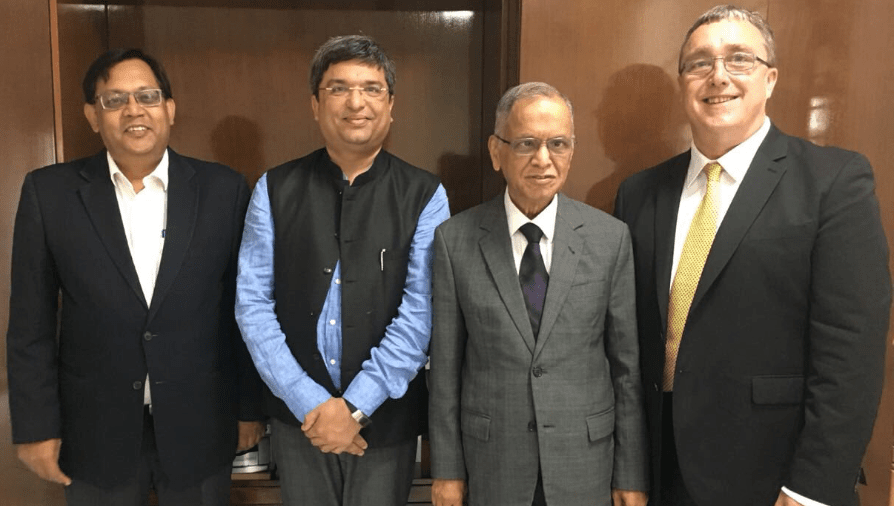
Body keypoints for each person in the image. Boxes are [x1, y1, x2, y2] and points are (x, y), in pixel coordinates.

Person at [613, 5, 891, 506]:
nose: (718, 76)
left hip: (774, 479)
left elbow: (852, 354)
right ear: (683, 82)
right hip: (660, 474)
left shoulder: (832, 182)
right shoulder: (639, 194)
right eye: (700, 63)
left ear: (770, 78)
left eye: (739, 59)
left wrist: (812, 489)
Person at [7, 48, 264, 505]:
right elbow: (31, 324)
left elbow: (243, 310)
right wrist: (34, 427)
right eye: (115, 100)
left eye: (147, 96)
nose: (134, 110)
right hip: (93, 432)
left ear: (170, 108)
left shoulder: (223, 190)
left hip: (201, 425)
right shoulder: (50, 194)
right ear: (92, 115)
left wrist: (249, 409)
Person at [235, 35, 450, 506]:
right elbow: (252, 305)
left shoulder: (425, 194)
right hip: (300, 421)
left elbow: (420, 316)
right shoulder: (274, 188)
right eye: (339, 88)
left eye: (372, 89)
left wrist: (354, 408)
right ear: (315, 105)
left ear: (391, 105)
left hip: (385, 420)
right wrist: (310, 403)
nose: (356, 102)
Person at [429, 82, 648, 506]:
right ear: (497, 151)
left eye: (558, 144)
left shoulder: (610, 238)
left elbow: (626, 369)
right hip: (493, 462)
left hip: (584, 462)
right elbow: (446, 369)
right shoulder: (455, 240)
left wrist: (630, 474)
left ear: (572, 150)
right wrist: (448, 470)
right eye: (526, 143)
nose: (543, 160)